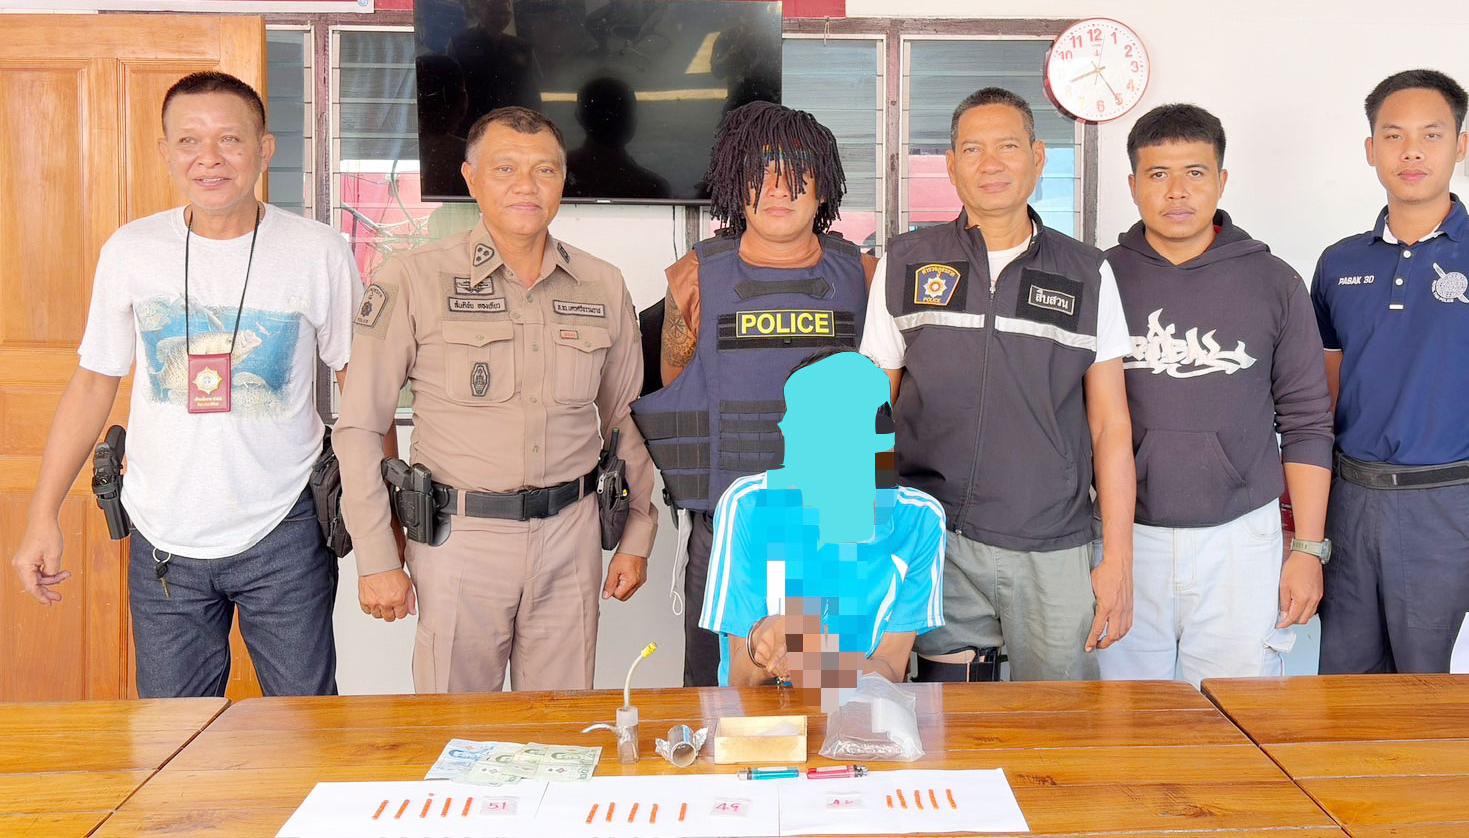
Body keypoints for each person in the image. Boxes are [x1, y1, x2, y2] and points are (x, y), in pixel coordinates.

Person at [10, 71, 360, 697]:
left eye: (230, 139)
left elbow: (359, 386)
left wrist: (381, 527)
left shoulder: (318, 252)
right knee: (171, 734)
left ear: (264, 148)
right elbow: (92, 385)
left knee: (307, 726)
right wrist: (43, 515)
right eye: (189, 141)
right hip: (162, 533)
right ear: (165, 152)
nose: (209, 158)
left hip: (285, 525)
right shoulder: (132, 250)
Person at [333, 105, 659, 693]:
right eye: (505, 168)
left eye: (544, 170)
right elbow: (360, 427)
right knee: (455, 729)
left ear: (563, 180)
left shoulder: (602, 284)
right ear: (470, 178)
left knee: (560, 727)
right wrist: (377, 556)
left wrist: (637, 534)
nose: (526, 186)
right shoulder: (413, 279)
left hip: (570, 537)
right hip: (459, 541)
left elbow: (625, 421)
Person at [860, 86, 1136, 682]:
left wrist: (1118, 558)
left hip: (1051, 544)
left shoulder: (1088, 273)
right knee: (946, 716)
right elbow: (874, 409)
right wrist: (876, 531)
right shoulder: (906, 262)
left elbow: (1110, 425)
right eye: (972, 149)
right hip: (934, 541)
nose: (991, 164)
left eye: (1008, 146)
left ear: (1037, 158)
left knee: (1059, 722)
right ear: (951, 166)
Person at [1312, 69, 1469, 674]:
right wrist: (1307, 538)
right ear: (1371, 149)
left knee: (1443, 702)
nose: (1412, 152)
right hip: (1351, 507)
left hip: (1452, 511)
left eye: (1432, 134)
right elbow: (1323, 406)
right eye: (1393, 136)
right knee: (1346, 699)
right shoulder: (1338, 262)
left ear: (1460, 146)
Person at [631, 100, 875, 687]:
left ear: (823, 187)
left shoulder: (866, 277)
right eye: (759, 170)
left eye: (796, 170)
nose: (777, 187)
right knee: (716, 692)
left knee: (836, 689)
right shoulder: (695, 276)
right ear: (733, 182)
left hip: (836, 529)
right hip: (728, 529)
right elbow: (679, 394)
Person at [1098, 104, 1333, 686]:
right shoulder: (1099, 278)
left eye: (1196, 173)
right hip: (1124, 535)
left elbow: (1307, 422)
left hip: (1240, 538)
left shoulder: (1274, 281)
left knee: (1235, 715)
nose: (1177, 191)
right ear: (1132, 184)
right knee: (1121, 714)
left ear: (1222, 180)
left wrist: (1308, 548)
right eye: (1158, 174)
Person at [700, 350, 945, 697]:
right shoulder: (747, 506)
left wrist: (821, 661)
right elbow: (739, 683)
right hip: (766, 716)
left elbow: (891, 668)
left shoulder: (920, 520)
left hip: (861, 710)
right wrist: (760, 644)